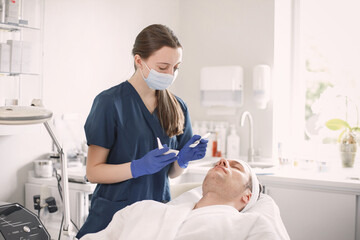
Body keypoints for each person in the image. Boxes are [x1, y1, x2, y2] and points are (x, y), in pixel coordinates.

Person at [76, 24, 208, 239]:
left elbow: (171, 173)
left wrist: (182, 161)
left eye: (175, 67)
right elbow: (93, 172)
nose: (170, 74)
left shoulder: (177, 107)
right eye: (163, 66)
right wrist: (138, 167)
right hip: (113, 217)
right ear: (139, 61)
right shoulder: (110, 102)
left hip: (156, 216)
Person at [80, 158, 284, 240]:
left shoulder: (251, 225)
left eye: (236, 167)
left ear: (246, 197)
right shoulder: (144, 209)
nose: (223, 161)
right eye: (221, 161)